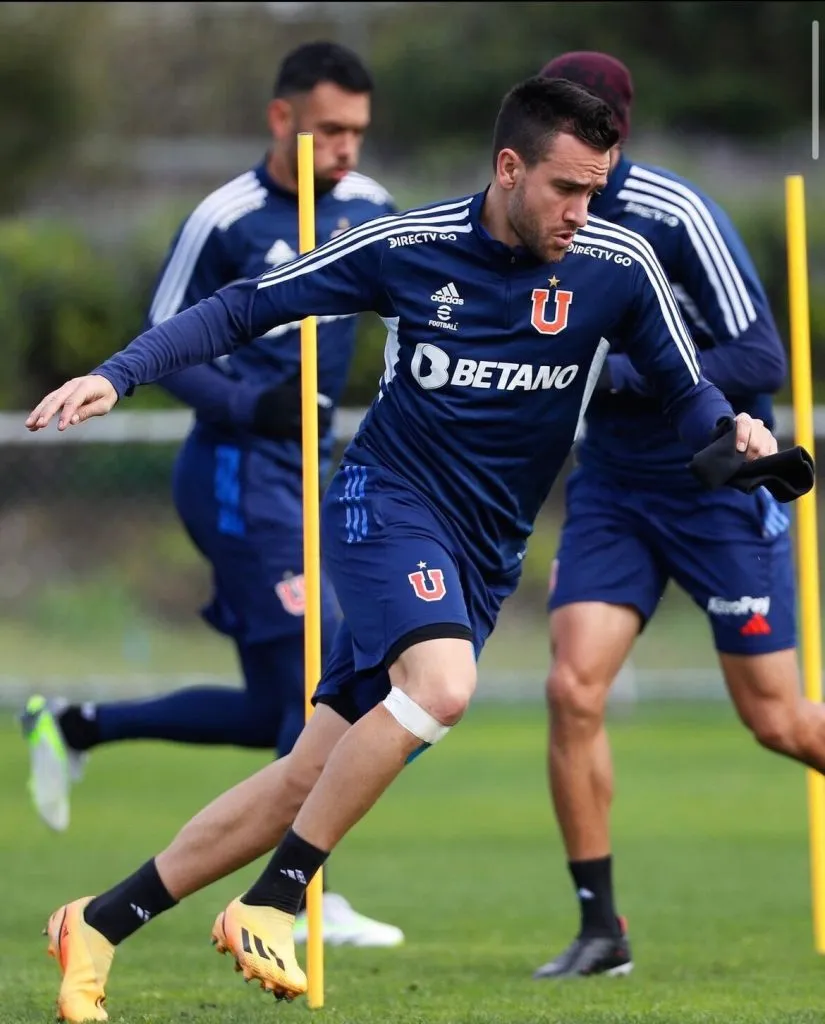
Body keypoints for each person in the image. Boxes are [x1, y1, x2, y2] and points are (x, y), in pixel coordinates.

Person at [27, 76, 789, 1022]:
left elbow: (688, 392)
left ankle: (97, 924)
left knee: (307, 773)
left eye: (594, 190)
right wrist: (118, 374)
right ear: (508, 168)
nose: (580, 212)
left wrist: (736, 436)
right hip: (383, 503)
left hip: (483, 551)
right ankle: (272, 903)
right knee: (443, 688)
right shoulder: (407, 247)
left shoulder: (618, 263)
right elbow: (244, 306)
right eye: (564, 188)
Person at [20, 40, 403, 950]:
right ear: (282, 120)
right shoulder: (226, 215)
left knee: (281, 701)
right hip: (233, 476)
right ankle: (298, 894)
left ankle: (76, 724)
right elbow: (165, 337)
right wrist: (250, 406)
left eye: (357, 131)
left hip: (312, 477)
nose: (345, 148)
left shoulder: (373, 210)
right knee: (318, 692)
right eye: (328, 131)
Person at [530, 51, 807, 981]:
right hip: (612, 489)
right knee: (571, 691)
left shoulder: (674, 215)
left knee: (775, 721)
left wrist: (635, 371)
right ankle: (600, 929)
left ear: (620, 133)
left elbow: (759, 355)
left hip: (715, 484)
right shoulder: (532, 212)